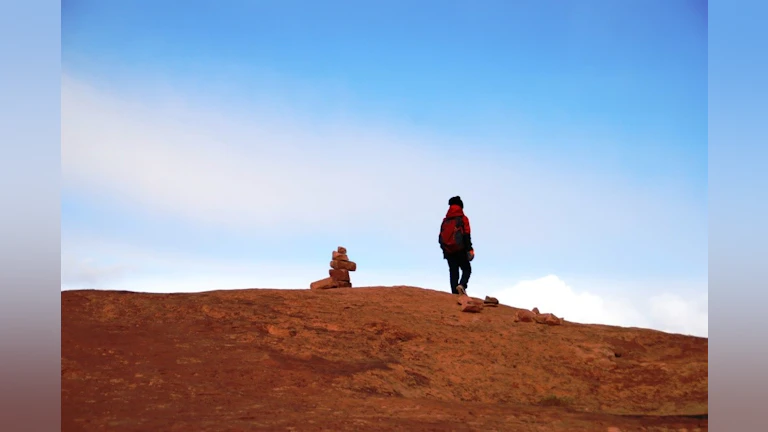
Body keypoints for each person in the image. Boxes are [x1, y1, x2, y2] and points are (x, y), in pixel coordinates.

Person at [438, 196, 474, 295]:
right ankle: (462, 285)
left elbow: (440, 238)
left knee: (453, 272)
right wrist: (469, 249)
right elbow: (466, 234)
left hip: (448, 251)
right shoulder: (463, 219)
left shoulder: (445, 221)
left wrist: (445, 250)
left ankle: (454, 294)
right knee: (467, 269)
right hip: (460, 249)